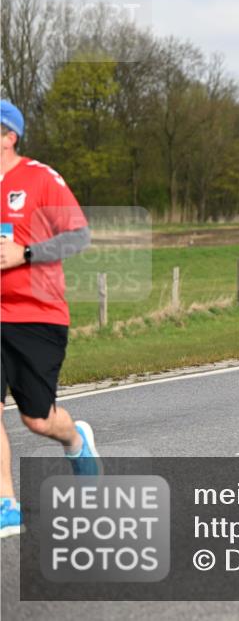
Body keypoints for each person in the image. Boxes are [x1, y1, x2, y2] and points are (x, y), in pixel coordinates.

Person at [0, 100, 100, 539]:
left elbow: (79, 236)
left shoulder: (40, 178)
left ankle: (74, 437)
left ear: (9, 135)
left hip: (37, 314)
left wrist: (25, 254)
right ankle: (6, 503)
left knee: (36, 419)